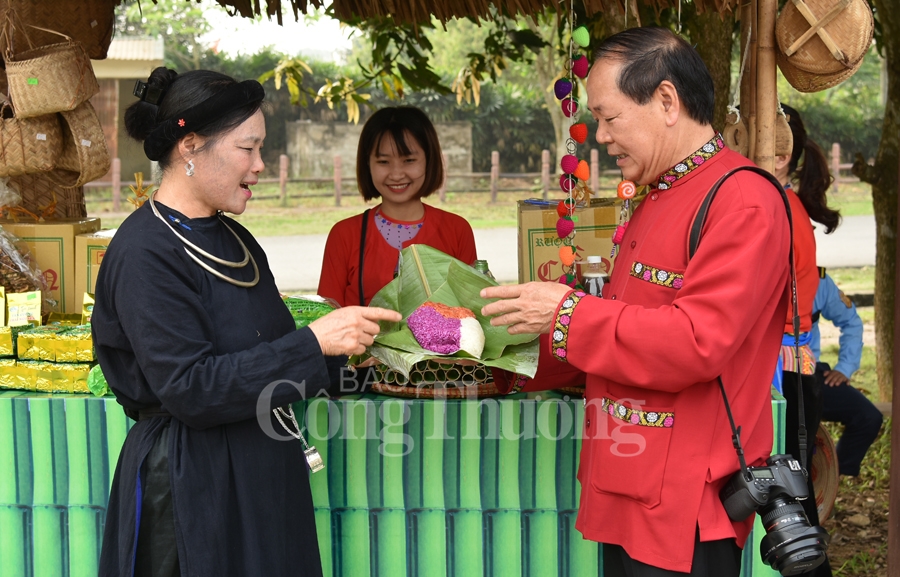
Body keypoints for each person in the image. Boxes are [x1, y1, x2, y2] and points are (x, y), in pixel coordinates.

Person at [479, 28, 792, 576]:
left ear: (666, 101)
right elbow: (618, 334)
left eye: (609, 117)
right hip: (627, 482)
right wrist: (492, 357)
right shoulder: (658, 195)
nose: (599, 136)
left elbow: (695, 342)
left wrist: (564, 312)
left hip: (683, 504)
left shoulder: (742, 200)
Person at [92, 68, 401, 577]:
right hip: (195, 487)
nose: (261, 165)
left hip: (262, 472)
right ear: (191, 146)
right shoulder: (144, 252)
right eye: (248, 149)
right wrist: (314, 342)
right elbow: (190, 388)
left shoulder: (236, 239)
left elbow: (268, 355)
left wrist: (368, 365)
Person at [772, 104, 841, 577]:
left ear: (777, 151)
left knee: (791, 511)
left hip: (786, 371)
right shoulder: (780, 201)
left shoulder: (777, 206)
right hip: (791, 365)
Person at [317, 106, 477, 306]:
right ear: (368, 164)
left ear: (429, 160)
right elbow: (326, 317)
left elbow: (471, 313)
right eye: (383, 161)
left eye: (409, 160)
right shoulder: (344, 235)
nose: (396, 174)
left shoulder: (457, 230)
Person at [811, 268, 883, 477]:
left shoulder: (819, 281)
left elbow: (851, 322)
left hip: (807, 372)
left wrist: (845, 367)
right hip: (765, 376)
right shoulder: (755, 273)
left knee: (867, 417)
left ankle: (829, 481)